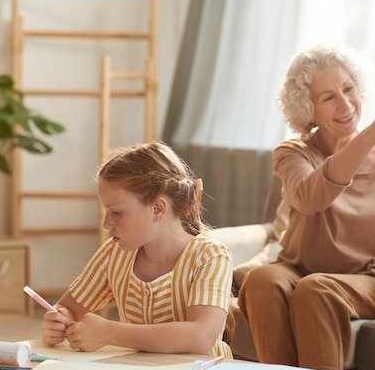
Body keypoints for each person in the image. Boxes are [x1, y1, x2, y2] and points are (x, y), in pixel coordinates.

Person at [237, 44, 375, 370]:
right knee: (261, 279)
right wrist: (372, 133)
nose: (345, 104)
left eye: (348, 89)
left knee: (315, 289)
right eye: (328, 97)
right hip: (300, 270)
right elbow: (309, 196)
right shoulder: (293, 154)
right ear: (308, 109)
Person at [41, 141, 233, 358]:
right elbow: (70, 309)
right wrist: (58, 321)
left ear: (157, 208)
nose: (106, 224)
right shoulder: (114, 253)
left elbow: (200, 337)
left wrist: (109, 332)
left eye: (116, 212)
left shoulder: (210, 257)